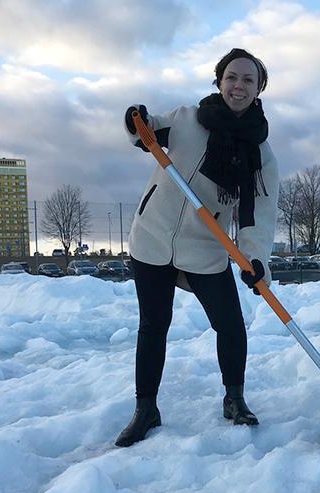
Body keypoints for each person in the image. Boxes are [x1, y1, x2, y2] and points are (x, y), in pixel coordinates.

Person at [115, 48, 278, 447]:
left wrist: (255, 257)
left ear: (258, 89)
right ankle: (145, 408)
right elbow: (146, 132)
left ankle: (234, 398)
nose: (238, 86)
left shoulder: (259, 154)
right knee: (153, 325)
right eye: (231, 77)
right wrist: (136, 119)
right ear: (220, 81)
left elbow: (257, 214)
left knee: (230, 324)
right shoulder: (188, 119)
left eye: (248, 80)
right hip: (152, 238)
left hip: (205, 247)